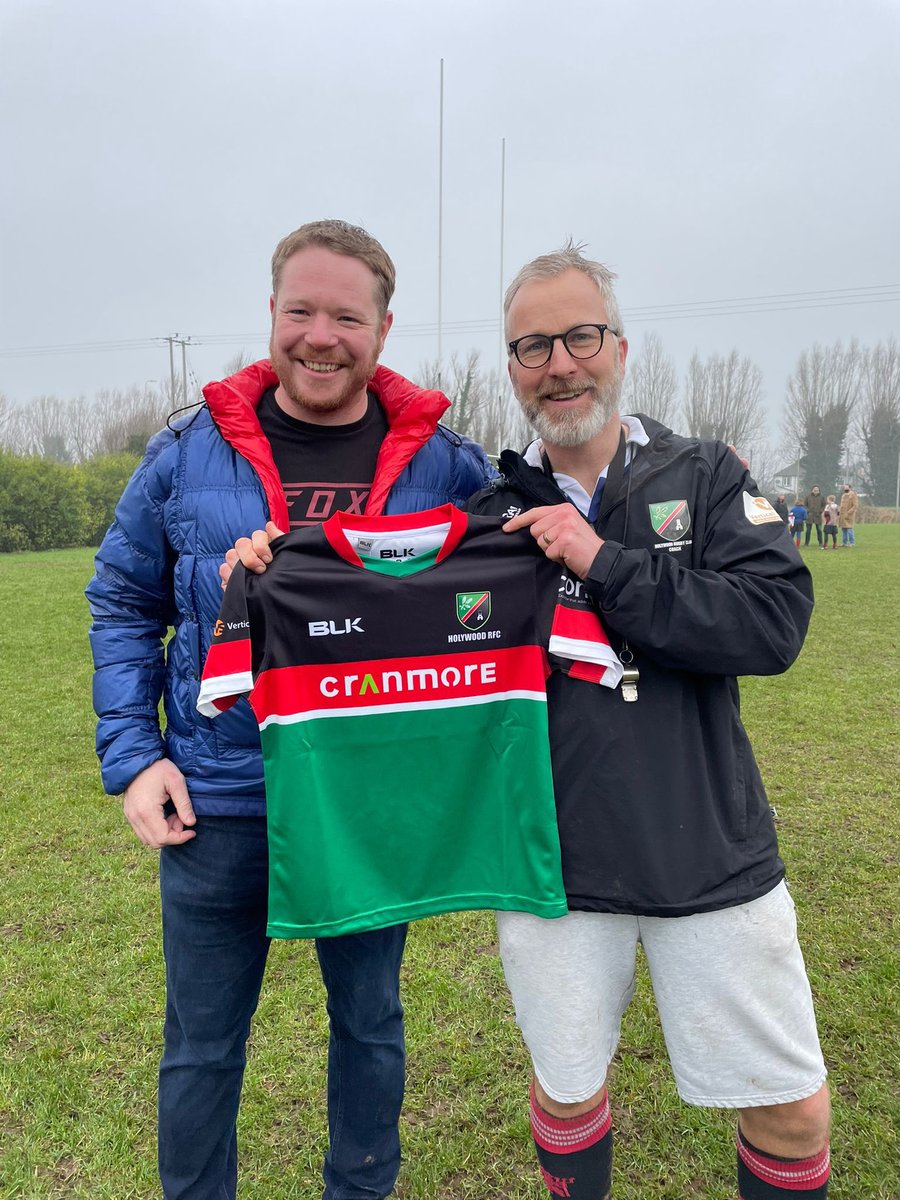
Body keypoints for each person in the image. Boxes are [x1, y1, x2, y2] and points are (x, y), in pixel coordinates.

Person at [86, 219, 494, 1200]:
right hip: (219, 800)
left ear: (383, 328)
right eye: (302, 311)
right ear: (271, 312)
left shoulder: (446, 464)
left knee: (371, 1027)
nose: (321, 336)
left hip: (367, 805)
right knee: (202, 1046)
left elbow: (505, 585)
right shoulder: (186, 451)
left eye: (346, 317)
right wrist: (136, 754)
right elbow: (122, 599)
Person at [465, 242, 831, 1199]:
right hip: (553, 863)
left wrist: (603, 562)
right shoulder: (489, 513)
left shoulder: (705, 473)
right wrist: (272, 575)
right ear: (513, 368)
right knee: (567, 1087)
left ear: (621, 349)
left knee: (790, 1108)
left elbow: (773, 623)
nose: (559, 364)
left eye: (580, 337)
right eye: (532, 346)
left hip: (705, 845)